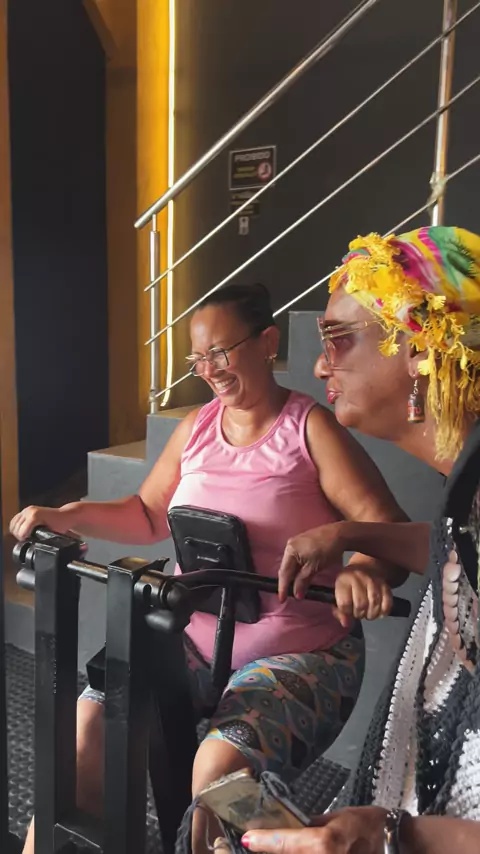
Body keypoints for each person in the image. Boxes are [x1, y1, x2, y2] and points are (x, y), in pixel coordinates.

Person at [10, 283, 408, 854]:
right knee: (89, 728)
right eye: (199, 358)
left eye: (221, 353)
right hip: (190, 641)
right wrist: (68, 514)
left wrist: (364, 570)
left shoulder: (310, 429)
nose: (210, 371)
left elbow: (386, 529)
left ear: (267, 342)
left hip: (300, 651)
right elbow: (147, 512)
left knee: (217, 776)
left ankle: (292, 845)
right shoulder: (196, 426)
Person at [236, 227, 480, 854]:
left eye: (338, 339)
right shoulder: (468, 486)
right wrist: (350, 534)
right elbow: (460, 555)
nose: (320, 366)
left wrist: (394, 836)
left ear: (420, 344)